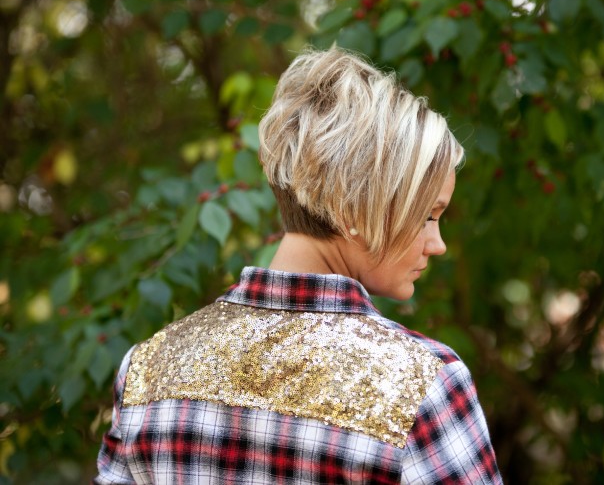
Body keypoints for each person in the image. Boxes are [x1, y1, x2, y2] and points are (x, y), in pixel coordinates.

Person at [94, 47, 503, 484]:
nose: (437, 243)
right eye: (427, 215)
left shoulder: (147, 370)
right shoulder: (425, 385)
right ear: (355, 211)